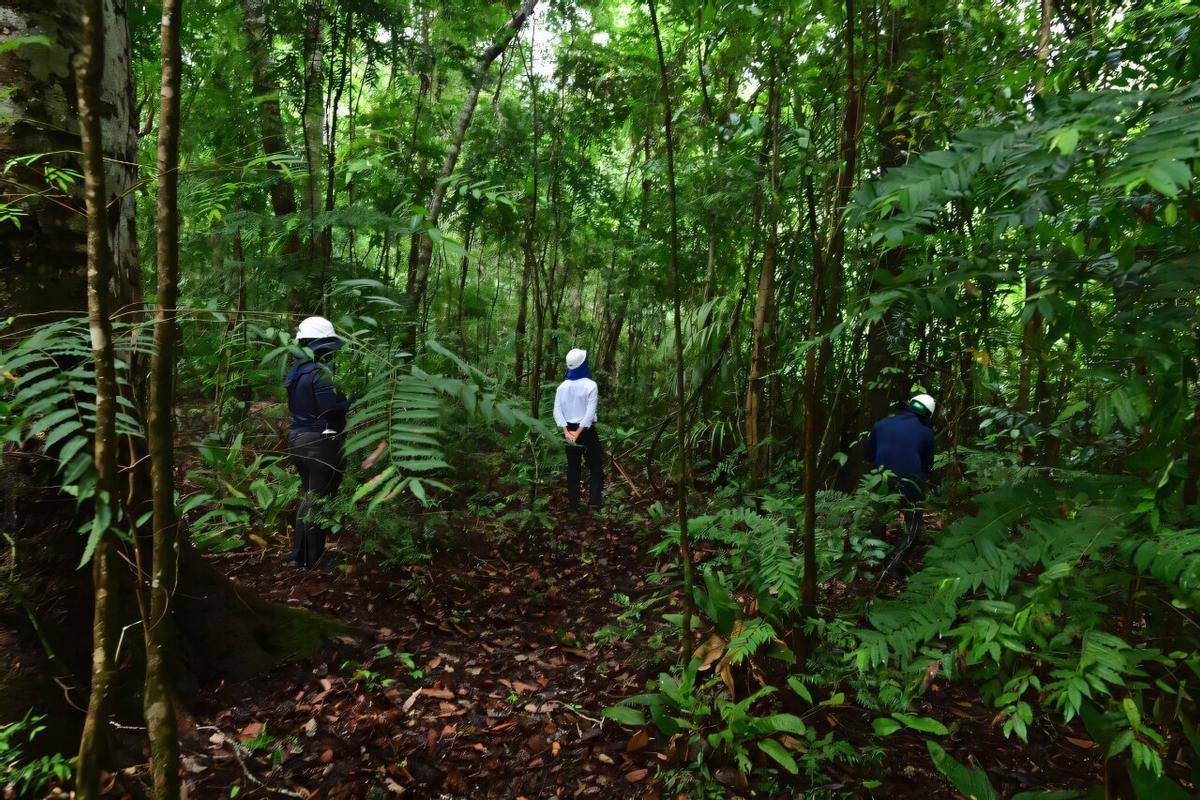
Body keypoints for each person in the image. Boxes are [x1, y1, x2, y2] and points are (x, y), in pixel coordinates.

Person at [284, 316, 351, 569]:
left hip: (298, 439)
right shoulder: (321, 371)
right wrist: (353, 399)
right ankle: (313, 560)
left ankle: (299, 556)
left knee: (309, 496)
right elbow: (328, 409)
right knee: (318, 500)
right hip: (321, 442)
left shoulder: (297, 370)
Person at [865, 393, 936, 575]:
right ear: (927, 415)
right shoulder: (926, 433)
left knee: (878, 517)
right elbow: (928, 466)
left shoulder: (880, 424)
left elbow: (869, 455)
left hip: (881, 476)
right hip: (911, 479)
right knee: (915, 524)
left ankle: (877, 560)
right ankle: (896, 563)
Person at [552, 348, 603, 513]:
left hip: (570, 432)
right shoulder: (591, 385)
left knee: (573, 468)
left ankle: (574, 505)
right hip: (586, 431)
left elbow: (557, 411)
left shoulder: (561, 387)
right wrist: (578, 432)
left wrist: (567, 433)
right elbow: (589, 413)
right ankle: (594, 503)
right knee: (595, 466)